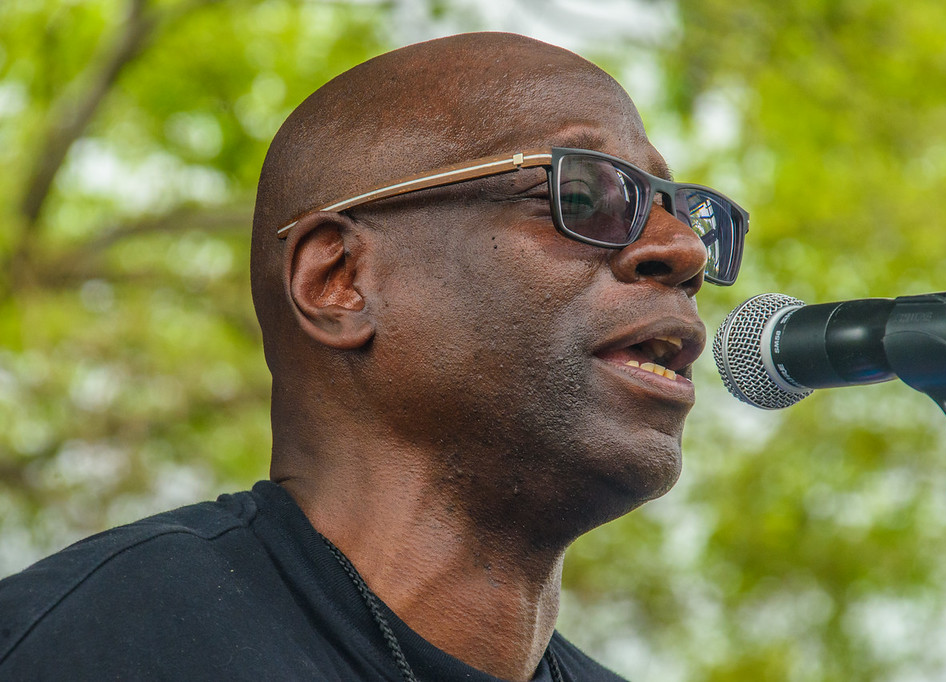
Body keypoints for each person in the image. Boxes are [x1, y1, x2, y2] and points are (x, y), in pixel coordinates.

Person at [0, 32, 747, 681]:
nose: (679, 250)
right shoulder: (84, 646)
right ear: (340, 282)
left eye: (684, 214)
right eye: (585, 194)